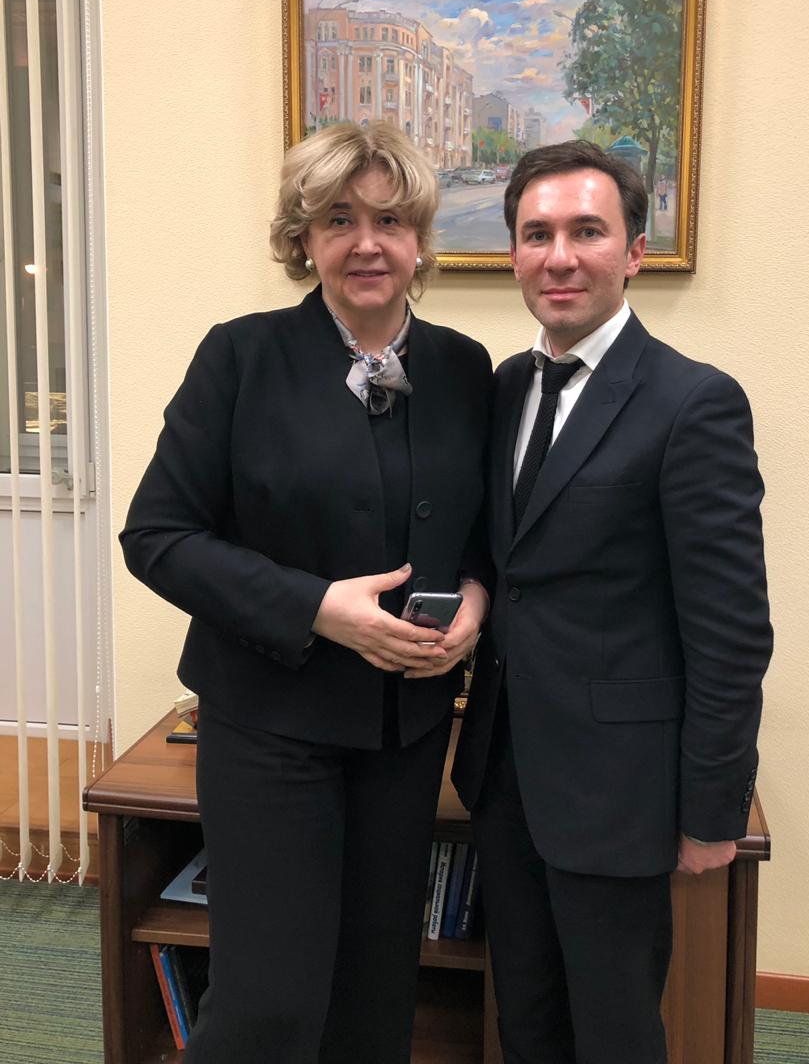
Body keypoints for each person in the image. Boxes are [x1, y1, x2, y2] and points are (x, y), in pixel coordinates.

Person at [121, 121, 492, 1064]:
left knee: (375, 997)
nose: (367, 242)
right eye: (338, 219)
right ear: (303, 237)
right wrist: (319, 608)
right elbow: (157, 537)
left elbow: (484, 538)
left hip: (405, 734)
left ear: (420, 240)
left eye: (389, 220)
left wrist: (476, 605)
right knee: (268, 1007)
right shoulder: (239, 357)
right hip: (268, 729)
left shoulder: (464, 367)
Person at [453, 140, 773, 1064]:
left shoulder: (693, 402)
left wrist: (712, 808)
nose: (560, 257)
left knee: (616, 1031)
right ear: (513, 254)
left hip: (620, 791)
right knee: (526, 1019)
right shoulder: (504, 387)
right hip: (504, 773)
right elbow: (506, 561)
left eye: (587, 232)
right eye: (537, 234)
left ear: (635, 250)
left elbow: (730, 631)